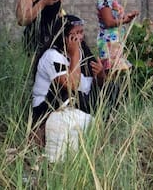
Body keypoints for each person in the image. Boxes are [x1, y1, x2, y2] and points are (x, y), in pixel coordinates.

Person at [30, 14, 105, 148]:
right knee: (69, 93)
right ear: (63, 36)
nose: (79, 37)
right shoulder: (52, 55)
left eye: (81, 32)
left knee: (112, 89)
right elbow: (71, 85)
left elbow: (95, 85)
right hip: (47, 104)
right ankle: (40, 133)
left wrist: (100, 75)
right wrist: (75, 54)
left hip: (77, 99)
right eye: (74, 34)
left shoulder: (83, 51)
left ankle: (102, 132)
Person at [95, 0, 139, 75]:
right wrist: (124, 21)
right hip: (109, 41)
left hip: (115, 41)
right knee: (111, 72)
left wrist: (127, 17)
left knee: (115, 72)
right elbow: (109, 22)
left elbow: (116, 19)